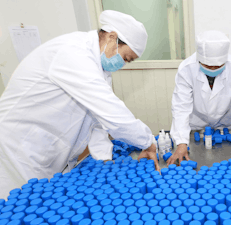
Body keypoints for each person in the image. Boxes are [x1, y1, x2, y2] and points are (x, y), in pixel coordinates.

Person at [0, 10, 159, 199]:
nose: (122, 64)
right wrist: (148, 142)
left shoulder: (100, 70)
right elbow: (113, 114)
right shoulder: (73, 53)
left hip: (47, 151)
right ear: (112, 37)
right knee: (21, 206)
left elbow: (98, 122)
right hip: (21, 149)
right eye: (125, 58)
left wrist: (104, 159)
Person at [168, 30, 231, 166]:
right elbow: (180, 107)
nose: (212, 69)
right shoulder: (187, 69)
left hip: (228, 125)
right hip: (198, 127)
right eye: (207, 65)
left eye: (217, 66)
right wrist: (181, 142)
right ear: (199, 59)